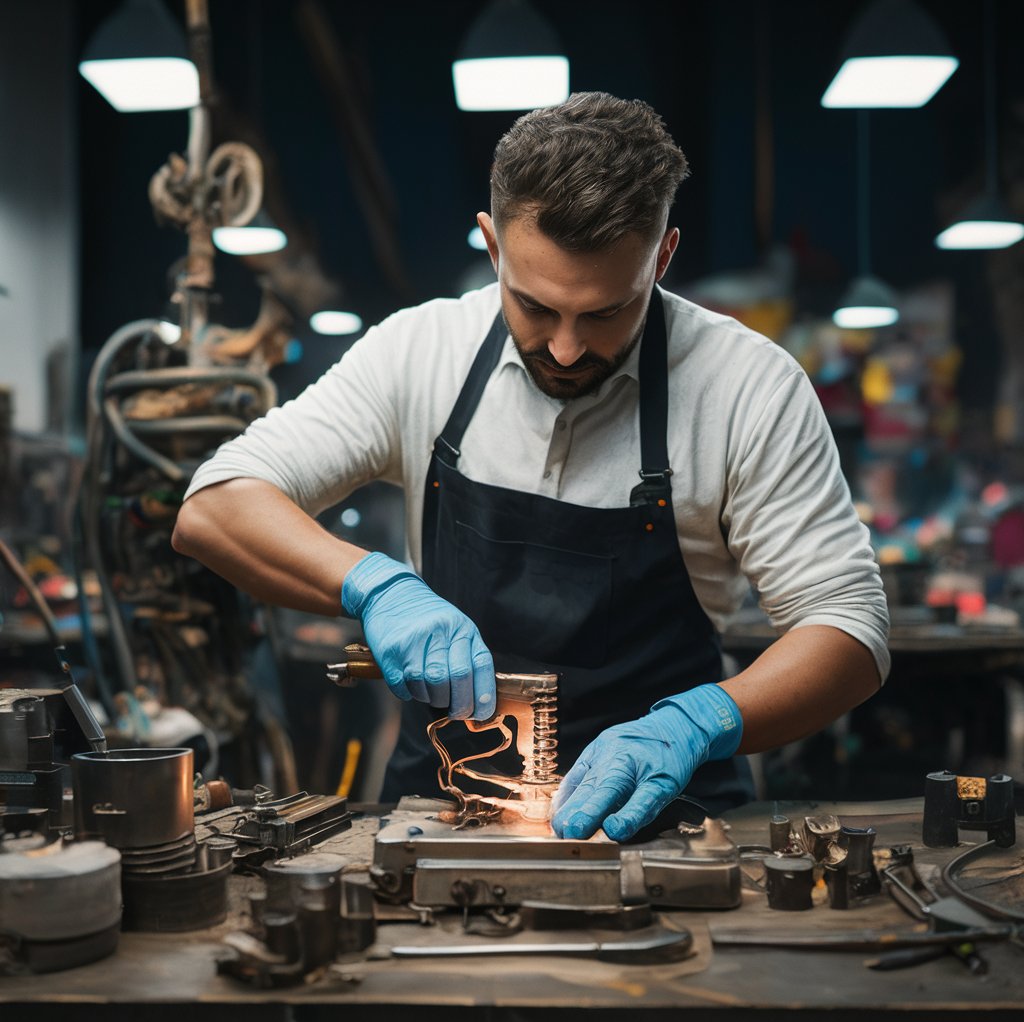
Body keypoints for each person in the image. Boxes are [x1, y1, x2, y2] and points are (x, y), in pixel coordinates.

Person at [172, 91, 889, 842]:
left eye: (609, 311)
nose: (569, 348)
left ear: (663, 256)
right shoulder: (420, 353)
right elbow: (215, 507)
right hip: (440, 818)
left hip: (669, 826)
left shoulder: (746, 389)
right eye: (536, 307)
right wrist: (374, 586)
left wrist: (698, 722)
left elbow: (849, 627)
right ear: (491, 245)